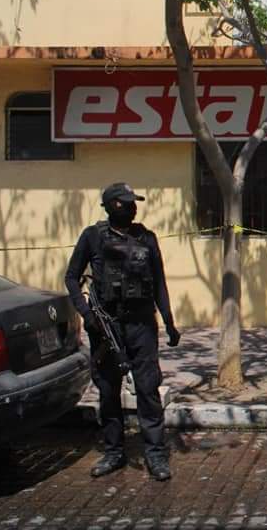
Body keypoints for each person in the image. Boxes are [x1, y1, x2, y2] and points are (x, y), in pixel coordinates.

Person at [65, 183, 181, 481]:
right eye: (127, 203)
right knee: (108, 390)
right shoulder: (92, 237)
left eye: (134, 203)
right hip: (106, 327)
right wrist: (88, 315)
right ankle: (114, 452)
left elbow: (159, 283)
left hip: (142, 324)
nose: (133, 208)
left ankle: (155, 455)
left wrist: (168, 321)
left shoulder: (147, 238)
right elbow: (71, 277)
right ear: (111, 206)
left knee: (147, 389)